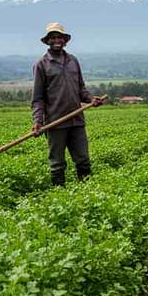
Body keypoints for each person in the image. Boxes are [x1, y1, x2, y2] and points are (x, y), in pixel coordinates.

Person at [31, 22, 103, 186]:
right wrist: (37, 121)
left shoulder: (73, 61)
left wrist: (91, 99)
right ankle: (60, 194)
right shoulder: (41, 64)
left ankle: (88, 193)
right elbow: (37, 98)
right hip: (55, 122)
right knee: (57, 163)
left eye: (59, 37)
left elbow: (81, 89)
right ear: (48, 41)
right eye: (53, 37)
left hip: (76, 120)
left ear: (65, 40)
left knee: (83, 160)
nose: (56, 40)